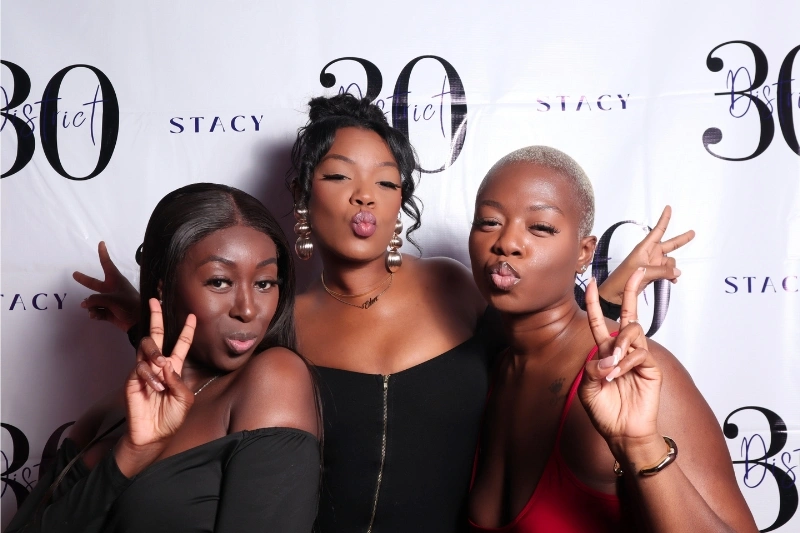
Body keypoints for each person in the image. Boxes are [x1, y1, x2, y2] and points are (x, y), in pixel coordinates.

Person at [70, 95, 693, 533]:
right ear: (303, 194)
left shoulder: (454, 286)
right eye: (340, 177)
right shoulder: (278, 319)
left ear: (401, 202)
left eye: (387, 182)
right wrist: (147, 313)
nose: (365, 196)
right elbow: (205, 386)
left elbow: (538, 340)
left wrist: (610, 287)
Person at [467, 146, 757, 532]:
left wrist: (641, 447)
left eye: (540, 227)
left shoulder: (629, 369)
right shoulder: (489, 372)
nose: (507, 242)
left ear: (584, 252)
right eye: (489, 222)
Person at [6, 184, 321, 533]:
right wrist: (130, 454)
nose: (247, 310)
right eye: (219, 282)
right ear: (163, 284)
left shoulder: (273, 379)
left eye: (264, 283)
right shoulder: (108, 413)